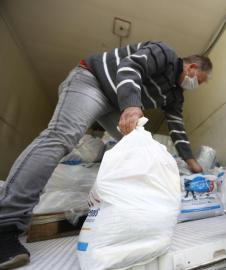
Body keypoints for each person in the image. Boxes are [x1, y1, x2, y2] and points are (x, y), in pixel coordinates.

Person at [0, 40, 212, 269]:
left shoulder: (175, 95)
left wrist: (191, 161)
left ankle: (130, 216)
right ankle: (7, 224)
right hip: (92, 81)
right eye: (199, 80)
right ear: (191, 68)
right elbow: (130, 67)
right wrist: (132, 105)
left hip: (115, 105)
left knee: (140, 148)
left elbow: (176, 126)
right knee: (62, 136)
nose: (196, 84)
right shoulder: (164, 53)